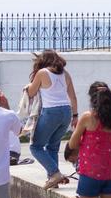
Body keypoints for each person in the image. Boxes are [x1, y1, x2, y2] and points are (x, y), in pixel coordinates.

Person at [26, 49, 77, 189]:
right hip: (66, 112)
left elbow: (31, 92)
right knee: (53, 147)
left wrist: (29, 85)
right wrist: (75, 115)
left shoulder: (42, 73)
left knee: (36, 146)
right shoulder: (65, 74)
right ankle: (53, 179)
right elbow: (73, 97)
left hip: (51, 112)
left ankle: (55, 173)